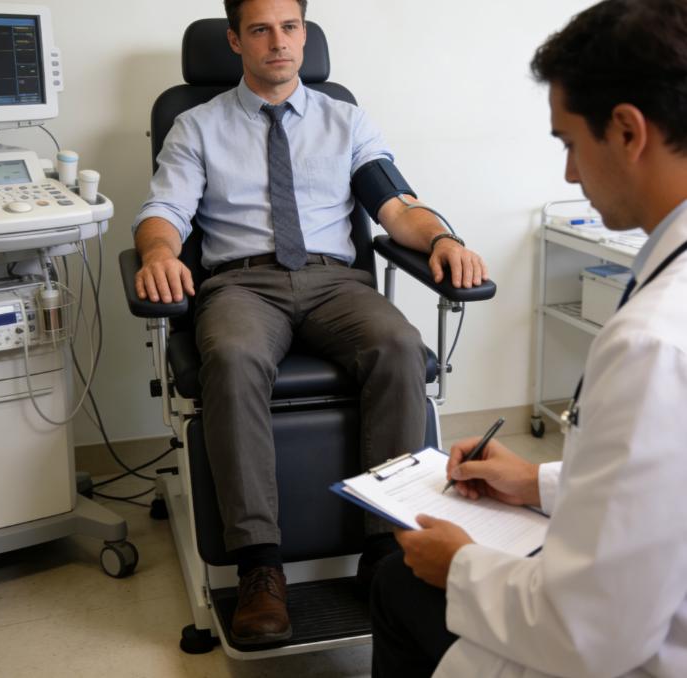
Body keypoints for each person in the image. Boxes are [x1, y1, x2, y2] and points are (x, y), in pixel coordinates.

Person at [132, 0, 487, 647]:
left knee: (399, 345)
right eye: (261, 29)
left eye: (290, 27)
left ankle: (385, 547)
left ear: (305, 35)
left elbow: (396, 205)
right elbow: (166, 211)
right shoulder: (196, 125)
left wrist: (442, 239)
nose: (279, 42)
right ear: (235, 40)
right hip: (242, 283)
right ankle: (258, 565)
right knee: (233, 357)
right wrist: (158, 252)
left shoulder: (345, 120)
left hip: (334, 282)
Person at [370, 0, 687, 676]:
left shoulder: (652, 342)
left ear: (627, 131)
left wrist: (460, 565)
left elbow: (592, 631)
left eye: (569, 142)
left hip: (632, 653)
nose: (569, 173)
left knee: (399, 583)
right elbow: (662, 489)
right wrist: (536, 481)